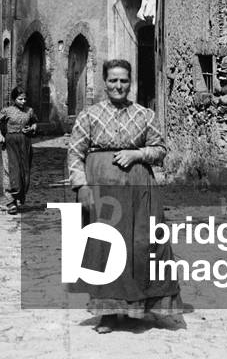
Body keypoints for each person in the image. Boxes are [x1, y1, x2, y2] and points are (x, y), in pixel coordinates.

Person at [67, 59, 184, 333]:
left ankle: (138, 308)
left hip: (140, 190)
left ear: (130, 83)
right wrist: (81, 186)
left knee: (141, 245)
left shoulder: (145, 115)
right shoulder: (89, 116)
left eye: (123, 81)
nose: (118, 86)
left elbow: (161, 149)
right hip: (101, 190)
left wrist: (138, 154)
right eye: (113, 80)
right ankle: (108, 312)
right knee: (105, 248)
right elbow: (74, 153)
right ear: (105, 82)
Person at [0, 86, 37, 215]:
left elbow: (34, 122)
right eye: (20, 99)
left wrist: (32, 128)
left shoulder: (29, 111)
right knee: (10, 170)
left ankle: (18, 198)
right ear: (14, 99)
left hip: (25, 143)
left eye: (24, 99)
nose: (23, 102)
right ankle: (10, 202)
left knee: (24, 171)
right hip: (10, 143)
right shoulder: (7, 111)